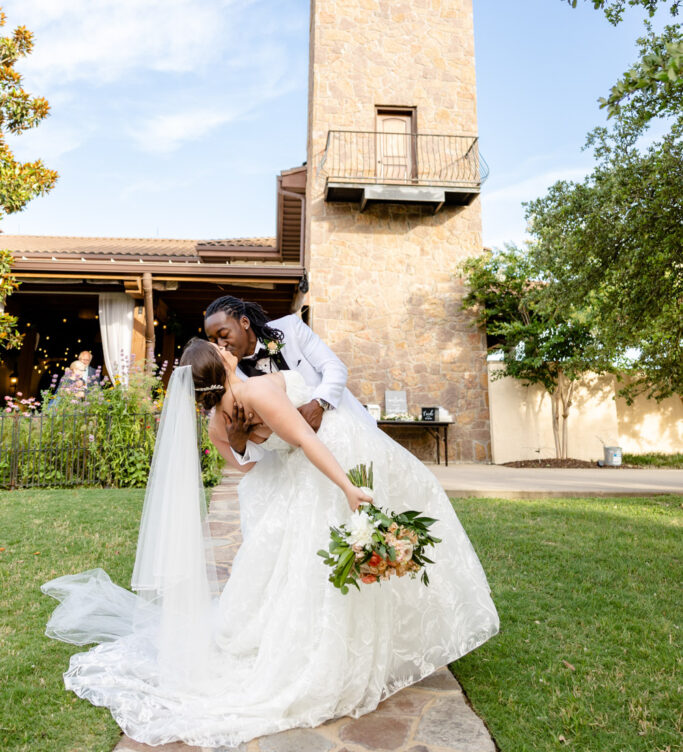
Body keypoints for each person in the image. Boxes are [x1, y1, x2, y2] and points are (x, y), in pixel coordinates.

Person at [42, 336, 499, 749]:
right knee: (338, 562)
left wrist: (245, 439)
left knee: (307, 571)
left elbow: (244, 466)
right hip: (330, 464)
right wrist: (348, 488)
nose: (224, 345)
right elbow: (305, 438)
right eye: (217, 346)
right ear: (217, 366)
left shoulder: (218, 421)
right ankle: (342, 652)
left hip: (301, 482)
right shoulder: (255, 392)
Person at [203, 296, 375, 466]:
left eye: (224, 335)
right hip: (299, 463)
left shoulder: (290, 328)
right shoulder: (234, 379)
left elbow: (334, 367)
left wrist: (319, 403)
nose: (221, 344)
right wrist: (239, 445)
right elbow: (263, 442)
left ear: (244, 322)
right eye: (214, 341)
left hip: (347, 431)